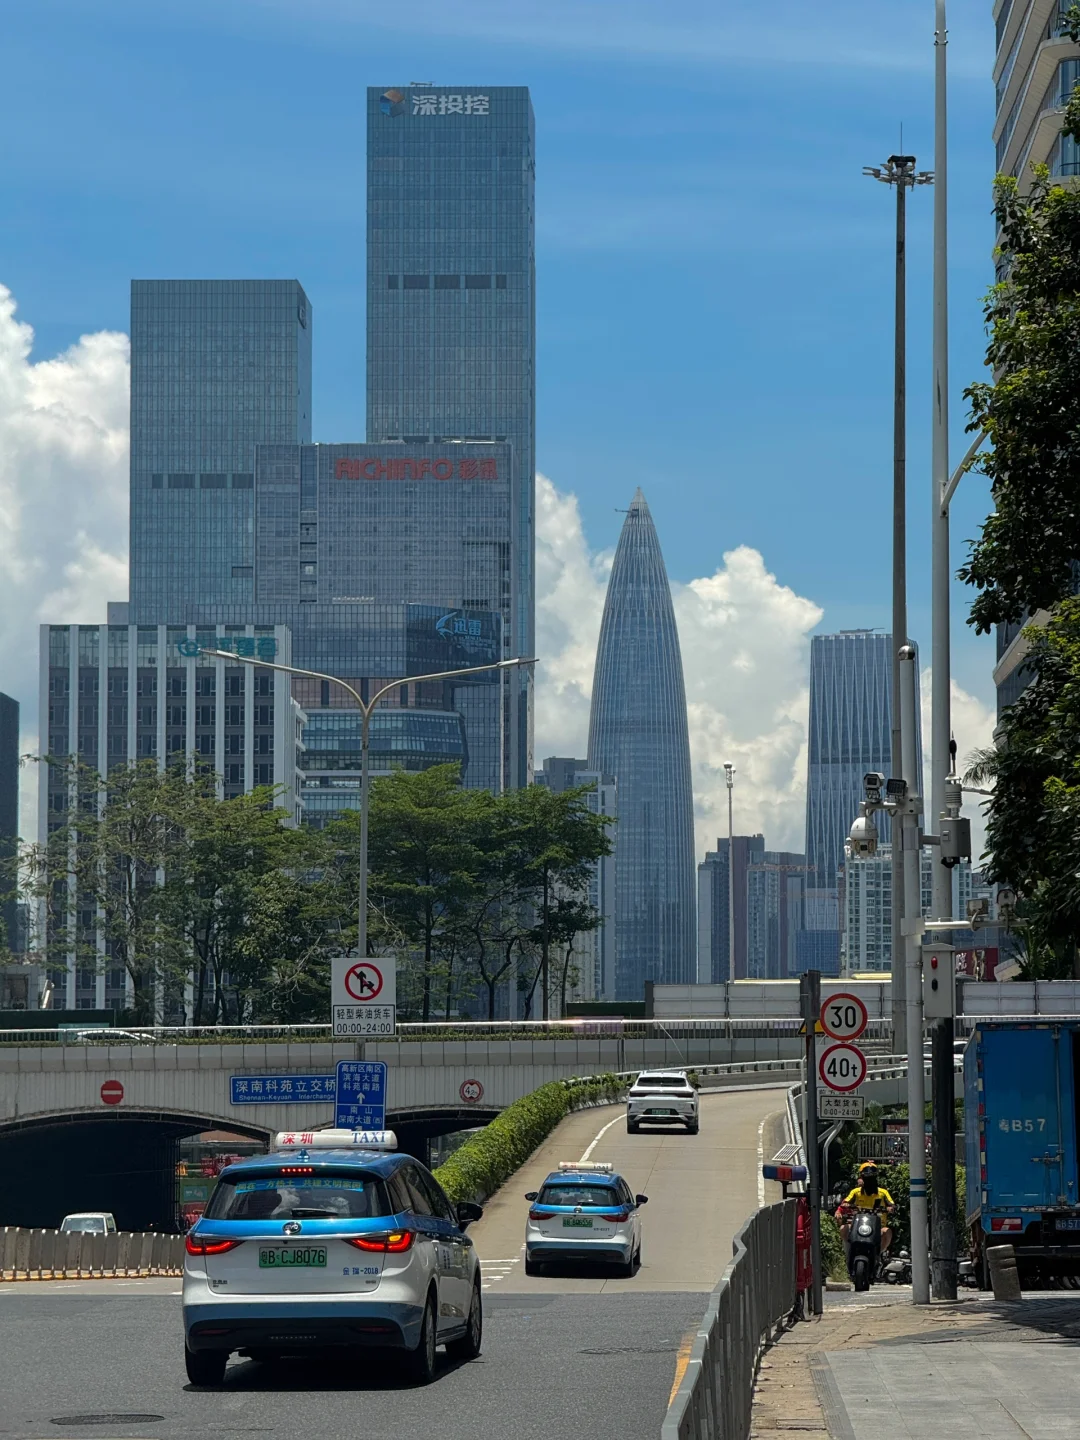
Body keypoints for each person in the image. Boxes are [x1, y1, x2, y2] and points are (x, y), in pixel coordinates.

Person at [836, 1162, 895, 1256]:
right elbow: (846, 1202)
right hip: (857, 1225)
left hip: (878, 1226)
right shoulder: (855, 1192)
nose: (869, 1180)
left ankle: (879, 1254)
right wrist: (846, 1204)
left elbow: (891, 1204)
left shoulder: (883, 1193)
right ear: (862, 1177)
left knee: (887, 1232)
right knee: (844, 1228)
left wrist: (890, 1208)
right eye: (866, 1177)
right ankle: (849, 1253)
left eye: (872, 1177)